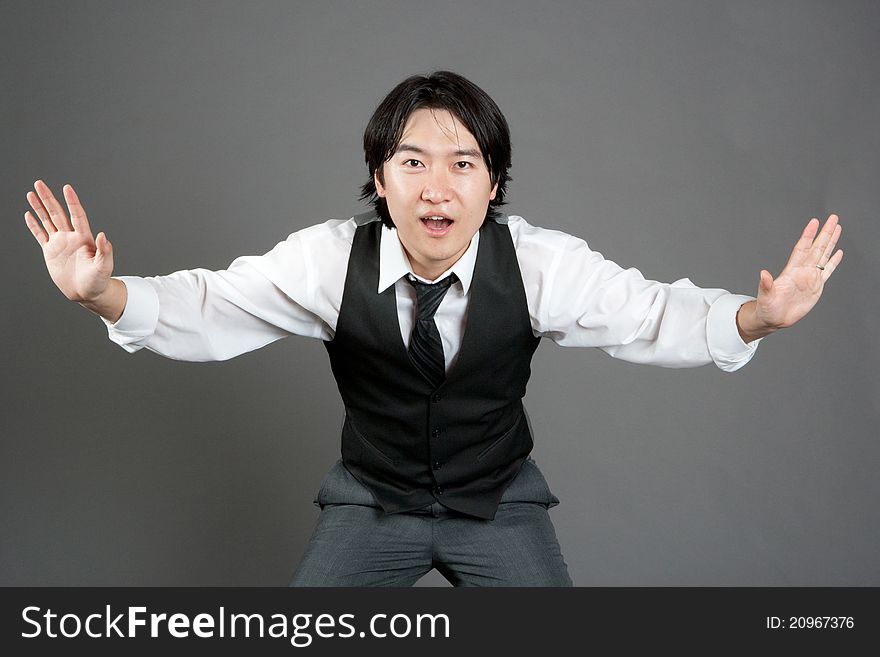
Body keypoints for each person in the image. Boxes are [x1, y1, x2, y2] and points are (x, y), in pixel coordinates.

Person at [23, 71, 843, 587]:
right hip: (370, 503)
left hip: (500, 504)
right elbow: (210, 306)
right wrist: (103, 293)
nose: (436, 187)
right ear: (381, 179)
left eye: (463, 164)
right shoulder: (326, 260)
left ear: (494, 185)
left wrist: (757, 317)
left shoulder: (539, 262)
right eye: (412, 162)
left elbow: (652, 313)